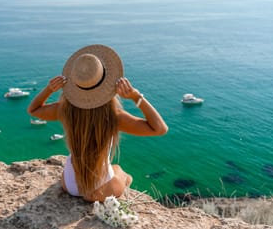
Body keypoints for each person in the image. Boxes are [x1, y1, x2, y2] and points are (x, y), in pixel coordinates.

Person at [27, 44, 168, 202]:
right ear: (107, 83)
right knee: (124, 175)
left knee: (114, 171)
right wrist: (136, 97)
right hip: (100, 189)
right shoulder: (114, 117)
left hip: (69, 183)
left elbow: (33, 110)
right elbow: (160, 129)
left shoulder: (65, 110)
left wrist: (49, 89)